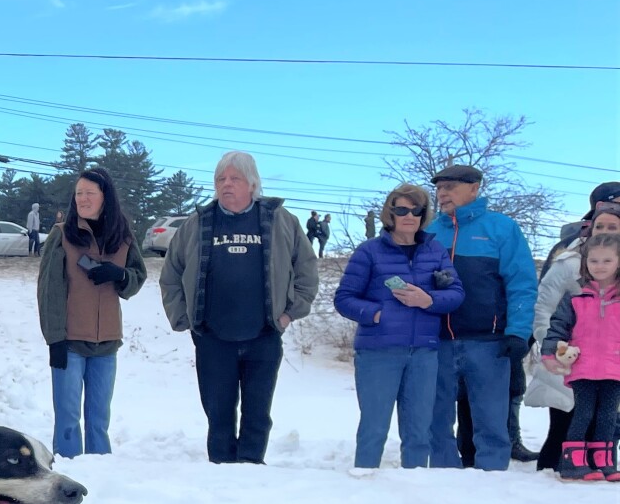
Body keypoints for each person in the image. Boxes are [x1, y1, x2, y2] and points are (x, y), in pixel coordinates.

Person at [158, 151, 319, 463]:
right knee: (218, 416)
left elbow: (307, 271)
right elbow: (171, 274)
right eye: (221, 179)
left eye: (235, 178)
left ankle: (251, 468)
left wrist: (288, 315)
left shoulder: (281, 221)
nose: (226, 185)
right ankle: (220, 472)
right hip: (213, 338)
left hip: (264, 335)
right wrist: (185, 319)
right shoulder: (198, 223)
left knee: (258, 415)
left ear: (253, 184)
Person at [332, 184, 462, 470]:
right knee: (374, 429)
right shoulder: (369, 252)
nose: (409, 216)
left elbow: (456, 294)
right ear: (390, 214)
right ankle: (363, 485)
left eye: (416, 210)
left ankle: (414, 492)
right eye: (401, 209)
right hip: (379, 353)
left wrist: (428, 300)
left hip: (424, 354)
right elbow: (344, 299)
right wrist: (377, 314)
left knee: (418, 433)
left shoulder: (435, 250)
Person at [422, 164, 538, 471]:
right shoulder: (430, 232)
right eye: (440, 187)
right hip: (438, 341)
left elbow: (522, 284)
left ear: (474, 188)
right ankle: (444, 476)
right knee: (436, 419)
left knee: (491, 421)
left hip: (489, 342)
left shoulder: (502, 228)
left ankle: (492, 481)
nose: (442, 193)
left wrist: (518, 331)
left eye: (451, 187)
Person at [37, 168, 146, 457]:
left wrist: (120, 275)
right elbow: (49, 291)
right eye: (78, 193)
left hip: (106, 344)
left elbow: (137, 277)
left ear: (105, 197)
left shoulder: (123, 237)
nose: (83, 199)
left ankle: (102, 474)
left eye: (90, 193)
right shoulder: (62, 235)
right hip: (70, 342)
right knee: (68, 420)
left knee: (99, 421)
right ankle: (69, 475)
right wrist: (55, 340)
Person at [527, 200, 620, 471]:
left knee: (606, 423)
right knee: (566, 424)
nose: (605, 230)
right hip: (571, 361)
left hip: (611, 365)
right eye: (599, 225)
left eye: (613, 226)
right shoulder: (570, 262)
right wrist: (556, 350)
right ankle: (554, 477)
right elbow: (546, 308)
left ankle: (600, 470)